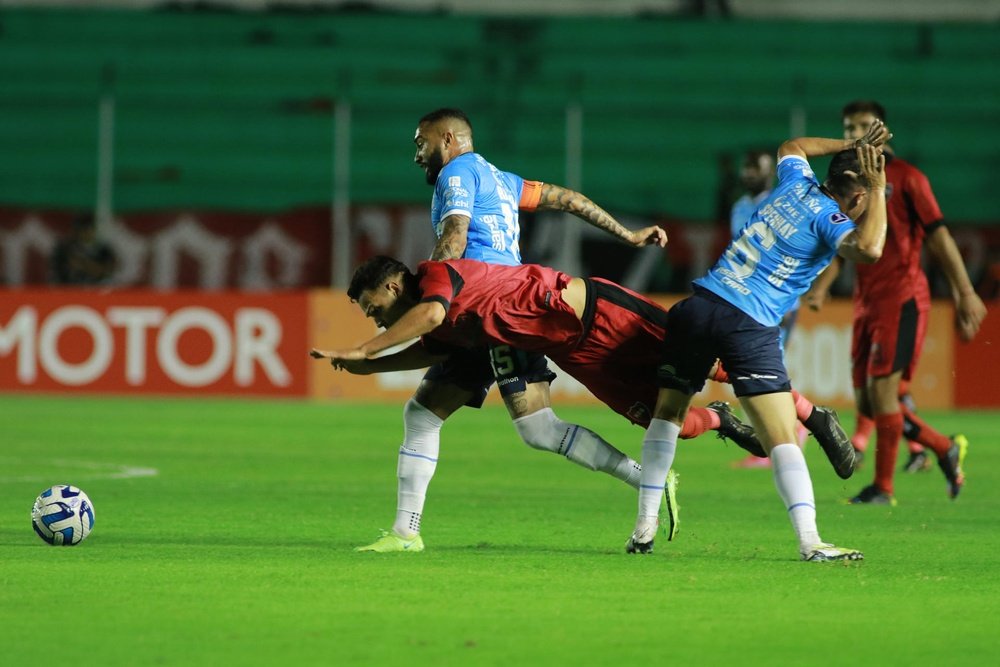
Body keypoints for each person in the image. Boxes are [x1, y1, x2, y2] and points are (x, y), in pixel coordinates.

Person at [340, 108, 721, 553]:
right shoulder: (502, 180)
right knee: (538, 429)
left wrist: (438, 296)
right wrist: (628, 234)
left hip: (480, 306)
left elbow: (456, 234)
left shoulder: (457, 173)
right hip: (515, 311)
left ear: (447, 139)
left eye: (421, 144)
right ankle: (648, 481)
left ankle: (406, 534)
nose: (417, 156)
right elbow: (567, 198)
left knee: (423, 416)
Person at [626, 120, 894, 562]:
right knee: (782, 435)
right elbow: (869, 249)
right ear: (860, 196)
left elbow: (793, 144)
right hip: (747, 322)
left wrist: (853, 144)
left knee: (668, 413)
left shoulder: (795, 180)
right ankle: (811, 542)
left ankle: (643, 528)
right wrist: (880, 186)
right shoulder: (832, 219)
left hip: (700, 304)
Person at [804, 100, 986, 505]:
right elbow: (840, 242)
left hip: (902, 298)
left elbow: (938, 236)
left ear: (882, 129)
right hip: (865, 301)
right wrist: (822, 284)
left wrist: (964, 291)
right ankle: (942, 446)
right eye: (850, 127)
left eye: (865, 125)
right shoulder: (844, 178)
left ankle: (883, 488)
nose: (857, 133)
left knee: (884, 396)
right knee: (869, 401)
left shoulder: (907, 178)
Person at [729, 149, 808, 468]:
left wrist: (787, 300)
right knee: (757, 372)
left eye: (756, 168)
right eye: (747, 166)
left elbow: (791, 251)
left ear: (769, 174)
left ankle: (792, 433)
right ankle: (787, 434)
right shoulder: (739, 207)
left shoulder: (779, 205)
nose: (750, 173)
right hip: (747, 299)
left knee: (764, 372)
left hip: (776, 300)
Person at [50, 213, 116, 285]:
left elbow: (107, 271)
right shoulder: (63, 249)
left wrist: (83, 264)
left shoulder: (104, 250)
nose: (86, 233)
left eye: (89, 229)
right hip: (70, 290)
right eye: (83, 229)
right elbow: (57, 271)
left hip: (96, 290)